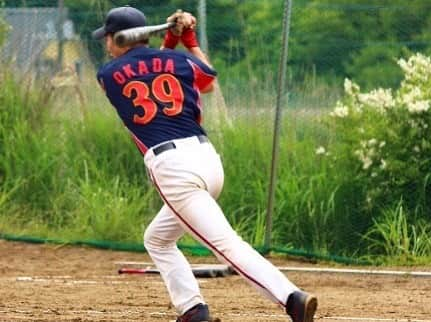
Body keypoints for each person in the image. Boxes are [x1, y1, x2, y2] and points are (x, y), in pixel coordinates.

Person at [92, 6, 317, 322]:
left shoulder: (107, 75)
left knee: (225, 244)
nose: (106, 44)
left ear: (119, 38)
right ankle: (193, 310)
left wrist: (171, 37)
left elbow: (146, 70)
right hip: (207, 161)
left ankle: (291, 297)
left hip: (173, 168)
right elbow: (205, 80)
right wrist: (186, 39)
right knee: (157, 239)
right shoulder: (180, 61)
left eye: (108, 38)